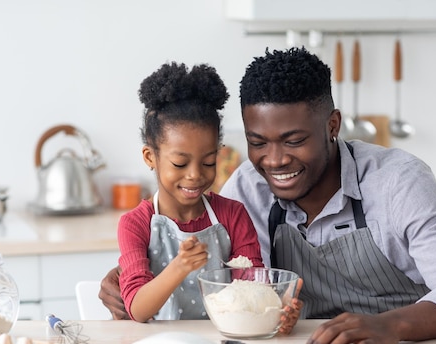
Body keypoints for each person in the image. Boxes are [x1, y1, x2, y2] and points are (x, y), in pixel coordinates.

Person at [100, 48, 436, 344]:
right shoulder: (247, 188)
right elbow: (228, 273)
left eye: (294, 141)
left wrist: (391, 326)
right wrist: (133, 276)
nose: (274, 160)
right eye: (258, 142)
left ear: (332, 125)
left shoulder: (397, 182)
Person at [115, 61, 301, 330]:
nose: (195, 175)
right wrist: (180, 267)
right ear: (150, 157)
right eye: (180, 163)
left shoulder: (232, 215)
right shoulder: (135, 224)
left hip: (227, 341)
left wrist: (279, 308)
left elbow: (255, 286)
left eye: (208, 162)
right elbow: (138, 309)